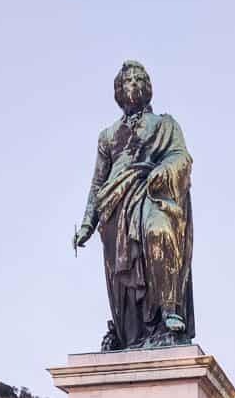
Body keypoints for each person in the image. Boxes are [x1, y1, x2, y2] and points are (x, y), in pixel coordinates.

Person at [75, 60, 195, 351]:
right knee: (122, 276)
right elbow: (97, 182)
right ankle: (128, 331)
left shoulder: (165, 125)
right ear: (118, 91)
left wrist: (162, 170)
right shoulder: (107, 135)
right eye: (128, 80)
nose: (134, 84)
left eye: (140, 79)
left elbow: (182, 158)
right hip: (115, 206)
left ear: (148, 88)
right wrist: (88, 224)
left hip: (154, 194)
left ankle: (168, 312)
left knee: (158, 232)